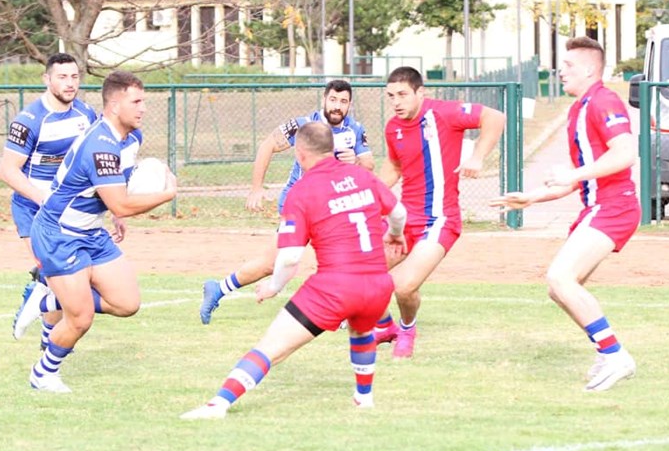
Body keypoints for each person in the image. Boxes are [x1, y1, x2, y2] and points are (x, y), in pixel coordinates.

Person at [181, 121, 407, 419]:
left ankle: (218, 404)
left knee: (271, 348)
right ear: (333, 148)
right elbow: (398, 212)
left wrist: (275, 286)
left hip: (335, 286)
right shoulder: (361, 176)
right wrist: (395, 233)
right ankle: (363, 399)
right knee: (361, 329)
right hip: (378, 285)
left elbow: (289, 257)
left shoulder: (302, 191)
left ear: (300, 154)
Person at [490, 36, 639, 392]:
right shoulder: (579, 108)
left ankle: (616, 355)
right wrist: (531, 198)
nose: (561, 72)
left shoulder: (604, 100)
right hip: (600, 206)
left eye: (569, 66)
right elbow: (574, 180)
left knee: (560, 277)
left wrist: (573, 175)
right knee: (559, 290)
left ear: (589, 69)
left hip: (614, 205)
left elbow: (625, 153)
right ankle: (607, 353)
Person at [14, 71, 177, 393]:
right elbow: (122, 204)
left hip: (92, 231)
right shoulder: (99, 146)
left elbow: (115, 192)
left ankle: (49, 299)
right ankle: (43, 374)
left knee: (127, 303)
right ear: (115, 106)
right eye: (137, 101)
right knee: (80, 318)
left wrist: (116, 209)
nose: (143, 108)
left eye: (144, 101)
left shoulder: (131, 138)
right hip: (59, 233)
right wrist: (166, 194)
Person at [199, 79, 374, 325]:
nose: (337, 106)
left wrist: (354, 161)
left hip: (334, 207)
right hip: (301, 205)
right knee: (271, 264)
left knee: (346, 256)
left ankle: (348, 310)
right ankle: (218, 289)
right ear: (324, 99)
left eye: (343, 102)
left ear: (349, 105)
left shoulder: (354, 130)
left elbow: (369, 165)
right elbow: (268, 145)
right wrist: (256, 188)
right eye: (333, 100)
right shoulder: (303, 125)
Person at [375, 66, 506, 358]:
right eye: (391, 96)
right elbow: (395, 167)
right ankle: (385, 327)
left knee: (404, 286)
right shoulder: (393, 127)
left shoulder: (444, 113)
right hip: (405, 221)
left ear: (421, 93)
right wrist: (370, 196)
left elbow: (495, 117)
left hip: (439, 220)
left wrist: (477, 156)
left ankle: (407, 329)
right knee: (360, 273)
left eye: (402, 95)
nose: (396, 102)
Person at [0, 52, 97, 350]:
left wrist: (113, 209)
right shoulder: (29, 120)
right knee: (59, 275)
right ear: (47, 79)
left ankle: (45, 332)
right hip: (33, 209)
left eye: (74, 77)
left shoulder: (87, 115)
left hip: (69, 211)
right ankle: (43, 310)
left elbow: (93, 164)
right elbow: (7, 170)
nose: (70, 84)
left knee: (66, 279)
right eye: (62, 77)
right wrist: (43, 198)